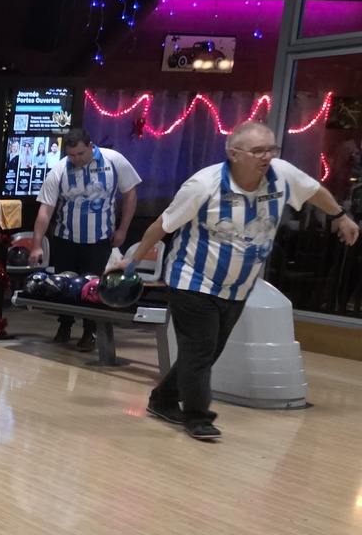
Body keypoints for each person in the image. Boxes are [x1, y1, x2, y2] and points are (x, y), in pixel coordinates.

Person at [122, 121, 358, 441]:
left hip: (238, 286)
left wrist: (339, 216)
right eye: (258, 151)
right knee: (201, 349)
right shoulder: (203, 185)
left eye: (271, 149)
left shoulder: (282, 175)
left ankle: (163, 399)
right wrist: (132, 261)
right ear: (234, 153)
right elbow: (161, 226)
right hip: (192, 280)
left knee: (209, 352)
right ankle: (197, 417)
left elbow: (314, 191)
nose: (267, 156)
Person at [28, 128, 141, 350]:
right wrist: (36, 245)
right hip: (66, 238)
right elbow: (45, 210)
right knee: (62, 285)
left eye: (80, 153)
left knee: (92, 287)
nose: (76, 159)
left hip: (99, 239)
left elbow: (130, 195)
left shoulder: (114, 160)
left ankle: (90, 331)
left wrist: (123, 230)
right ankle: (64, 326)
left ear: (90, 146)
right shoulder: (60, 169)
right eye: (71, 155)